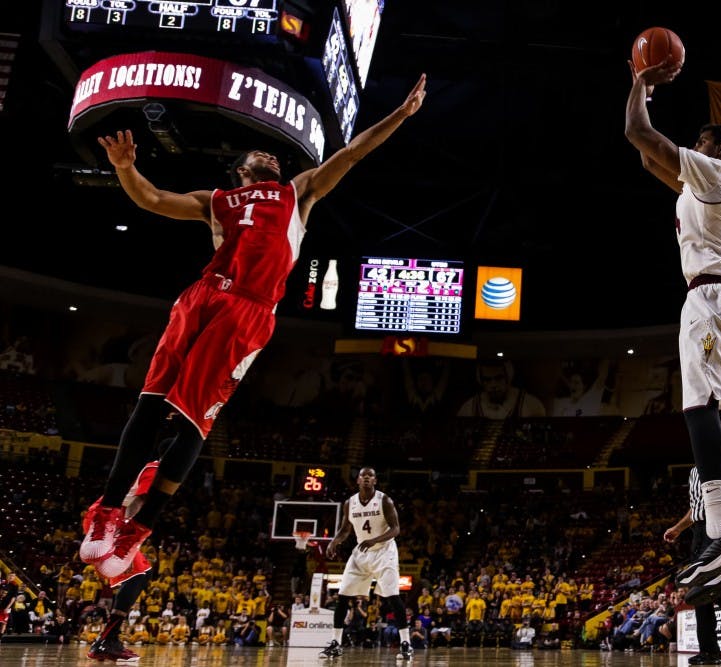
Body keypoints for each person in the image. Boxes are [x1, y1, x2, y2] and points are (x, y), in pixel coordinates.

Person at [77, 74, 428, 579]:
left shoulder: (297, 192)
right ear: (240, 170)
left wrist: (400, 114)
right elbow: (152, 199)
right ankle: (109, 514)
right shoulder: (216, 200)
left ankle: (139, 528)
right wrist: (125, 170)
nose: (273, 157)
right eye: (261, 155)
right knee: (151, 402)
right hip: (202, 295)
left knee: (196, 419)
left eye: (277, 158)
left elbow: (351, 153)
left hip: (249, 310)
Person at [625, 51, 721, 601]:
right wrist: (646, 97)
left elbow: (638, 132)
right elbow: (646, 157)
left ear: (719, 149)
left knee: (696, 408)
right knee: (705, 413)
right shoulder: (698, 189)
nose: (693, 150)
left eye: (700, 143)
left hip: (714, 298)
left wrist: (639, 82)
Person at [663, 464, 721, 663]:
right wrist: (678, 528)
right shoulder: (693, 472)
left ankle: (712, 648)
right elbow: (695, 508)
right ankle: (711, 648)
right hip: (698, 532)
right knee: (700, 590)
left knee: (702, 587)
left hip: (718, 530)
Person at [320, 468, 412, 660]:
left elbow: (396, 529)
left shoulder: (384, 500)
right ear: (358, 481)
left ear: (375, 481)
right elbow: (345, 529)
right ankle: (336, 643)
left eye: (371, 476)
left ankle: (406, 644)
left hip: (384, 552)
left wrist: (375, 540)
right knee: (343, 596)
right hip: (361, 552)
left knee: (393, 597)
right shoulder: (350, 503)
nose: (367, 478)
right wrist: (334, 542)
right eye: (364, 476)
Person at [84, 457, 160, 663]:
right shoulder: (157, 467)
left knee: (140, 574)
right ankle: (107, 640)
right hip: (111, 522)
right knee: (140, 574)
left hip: (105, 518)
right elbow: (140, 501)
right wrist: (127, 533)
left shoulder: (150, 467)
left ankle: (109, 639)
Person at [456, 359, 546, 419]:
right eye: (487, 380)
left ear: (508, 377)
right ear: (481, 381)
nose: (493, 385)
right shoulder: (469, 408)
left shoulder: (530, 405)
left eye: (498, 378)